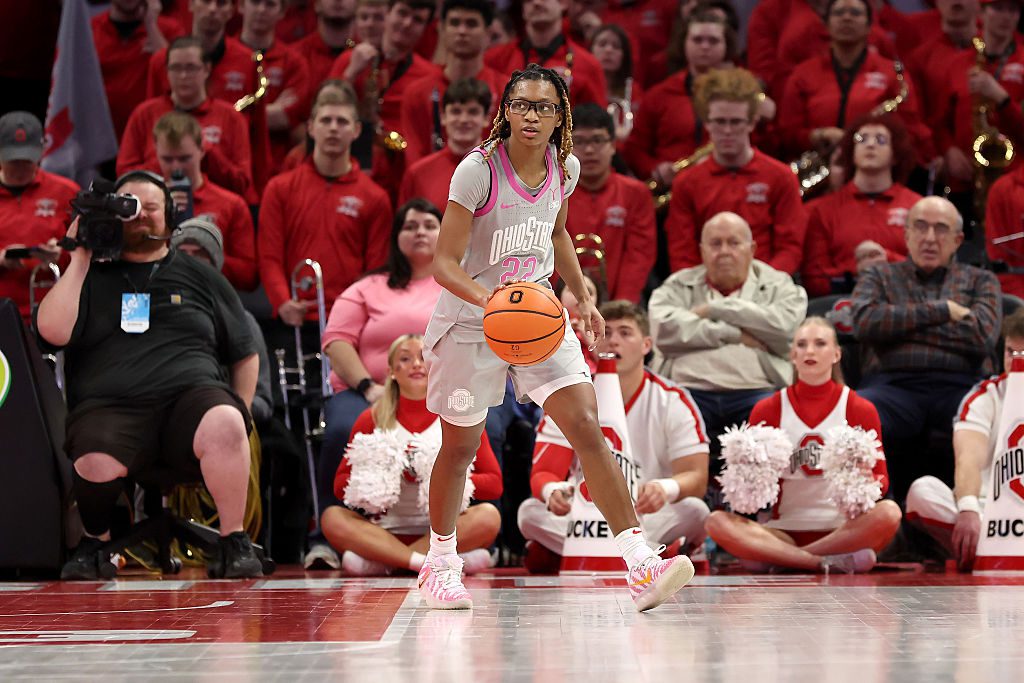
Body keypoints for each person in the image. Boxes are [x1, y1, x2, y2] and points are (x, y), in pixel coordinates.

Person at [421, 63, 695, 611]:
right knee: (460, 447)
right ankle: (439, 563)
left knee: (588, 428)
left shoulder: (563, 167)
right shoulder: (477, 171)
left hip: (539, 318)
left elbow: (557, 232)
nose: (531, 115)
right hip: (473, 320)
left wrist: (585, 296)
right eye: (521, 104)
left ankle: (639, 562)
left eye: (544, 106)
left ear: (559, 116)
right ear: (506, 110)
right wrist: (491, 301)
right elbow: (443, 263)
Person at [34, 171, 262, 580]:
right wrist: (79, 257)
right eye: (128, 209)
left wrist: (241, 412)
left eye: (150, 208)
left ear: (170, 218)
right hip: (110, 407)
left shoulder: (201, 276)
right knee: (95, 453)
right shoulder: (87, 278)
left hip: (191, 402)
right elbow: (50, 333)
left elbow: (244, 353)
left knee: (226, 421)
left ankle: (232, 541)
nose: (139, 217)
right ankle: (95, 544)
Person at [302, 198, 443, 568]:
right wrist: (369, 387)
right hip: (369, 391)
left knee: (488, 427)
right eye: (410, 226)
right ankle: (325, 540)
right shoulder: (367, 287)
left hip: (441, 394)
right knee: (341, 429)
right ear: (396, 236)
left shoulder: (458, 284)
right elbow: (336, 341)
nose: (420, 232)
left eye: (429, 225)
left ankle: (467, 539)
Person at [519, 300, 711, 572]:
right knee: (529, 512)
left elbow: (696, 476)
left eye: (625, 332)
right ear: (593, 342)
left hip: (649, 512)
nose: (613, 341)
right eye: (606, 332)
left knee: (696, 510)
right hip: (588, 517)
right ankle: (659, 552)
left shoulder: (673, 400)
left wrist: (665, 489)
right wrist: (554, 492)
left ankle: (570, 552)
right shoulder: (566, 397)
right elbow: (544, 473)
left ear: (646, 345)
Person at [704, 317, 902, 573]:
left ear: (836, 354)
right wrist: (746, 477)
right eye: (802, 344)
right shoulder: (768, 409)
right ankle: (821, 563)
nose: (810, 351)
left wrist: (866, 481)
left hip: (842, 530)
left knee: (889, 513)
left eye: (820, 344)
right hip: (783, 531)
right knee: (716, 521)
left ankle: (788, 560)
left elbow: (882, 481)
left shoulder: (858, 408)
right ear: (793, 355)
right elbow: (750, 500)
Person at [850, 196, 1003, 501]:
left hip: (961, 384)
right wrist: (943, 311)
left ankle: (974, 516)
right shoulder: (878, 276)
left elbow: (981, 336)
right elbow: (866, 323)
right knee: (856, 413)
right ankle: (879, 522)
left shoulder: (982, 280)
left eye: (941, 229)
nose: (930, 238)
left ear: (958, 240)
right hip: (892, 386)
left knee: (995, 417)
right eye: (920, 227)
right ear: (906, 234)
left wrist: (900, 331)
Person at [322, 334, 502, 575]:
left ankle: (392, 562)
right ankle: (426, 564)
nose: (416, 364)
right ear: (391, 372)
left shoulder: (461, 418)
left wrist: (439, 476)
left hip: (444, 529)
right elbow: (339, 485)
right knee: (332, 518)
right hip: (384, 532)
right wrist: (381, 474)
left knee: (489, 516)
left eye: (423, 358)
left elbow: (494, 484)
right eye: (405, 359)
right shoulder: (372, 418)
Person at [649, 211, 807, 468]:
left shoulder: (779, 285)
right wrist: (736, 334)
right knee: (667, 421)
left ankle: (754, 508)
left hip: (758, 392)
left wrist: (715, 309)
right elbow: (664, 331)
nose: (724, 251)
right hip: (688, 392)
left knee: (769, 432)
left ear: (752, 249)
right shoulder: (677, 285)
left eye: (733, 243)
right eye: (715, 243)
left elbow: (786, 330)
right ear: (701, 250)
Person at [258, 81, 392, 330]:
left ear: (356, 130)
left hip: (349, 321)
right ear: (310, 127)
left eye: (342, 122)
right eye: (325, 120)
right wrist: (283, 301)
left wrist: (356, 309)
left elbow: (375, 270)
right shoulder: (279, 188)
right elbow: (269, 256)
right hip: (292, 317)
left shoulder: (375, 197)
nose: (333, 128)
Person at [904, 309, 1024, 571]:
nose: (1014, 361)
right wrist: (968, 508)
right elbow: (968, 456)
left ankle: (984, 553)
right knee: (922, 491)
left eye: (1023, 354)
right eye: (1009, 352)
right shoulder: (984, 396)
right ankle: (983, 546)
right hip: (989, 516)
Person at [663, 67, 806, 275]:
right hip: (705, 291)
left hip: (767, 289)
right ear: (707, 123)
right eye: (720, 122)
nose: (728, 131)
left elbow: (790, 248)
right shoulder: (687, 182)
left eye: (736, 122)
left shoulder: (781, 177)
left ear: (752, 122)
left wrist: (761, 286)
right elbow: (682, 253)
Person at [776, 0, 933, 166]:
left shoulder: (892, 73)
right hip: (817, 168)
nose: (847, 18)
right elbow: (787, 132)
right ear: (825, 24)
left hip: (876, 167)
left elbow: (911, 130)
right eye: (838, 13)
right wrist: (817, 135)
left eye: (856, 13)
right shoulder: (803, 74)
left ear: (870, 25)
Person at [118, 36, 254, 201]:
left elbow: (242, 182)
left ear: (206, 69)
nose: (183, 75)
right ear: (166, 71)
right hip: (155, 208)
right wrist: (166, 158)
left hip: (216, 208)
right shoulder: (144, 114)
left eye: (191, 68)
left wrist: (205, 153)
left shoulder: (231, 117)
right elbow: (124, 178)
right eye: (175, 68)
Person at [801, 113, 922, 298]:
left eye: (881, 140)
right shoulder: (823, 210)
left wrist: (887, 261)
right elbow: (814, 278)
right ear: (851, 151)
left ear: (896, 154)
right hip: (841, 307)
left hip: (906, 302)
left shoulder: (917, 207)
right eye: (862, 139)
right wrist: (856, 271)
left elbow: (930, 268)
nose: (870, 144)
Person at [327, 0, 437, 198]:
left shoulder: (429, 76)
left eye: (417, 20)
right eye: (402, 13)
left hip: (397, 174)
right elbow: (324, 105)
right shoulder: (350, 59)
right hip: (347, 164)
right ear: (387, 14)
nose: (406, 23)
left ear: (424, 29)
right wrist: (351, 72)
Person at [170, 217, 274, 425]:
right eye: (182, 254)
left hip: (223, 420)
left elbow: (263, 401)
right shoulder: (156, 313)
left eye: (199, 254)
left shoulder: (242, 321)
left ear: (215, 263)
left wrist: (229, 409)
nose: (190, 262)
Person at [621, 10, 735, 185]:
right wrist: (655, 168)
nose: (705, 46)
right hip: (672, 188)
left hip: (728, 184)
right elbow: (635, 149)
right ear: (684, 43)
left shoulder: (742, 94)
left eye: (713, 40)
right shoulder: (659, 95)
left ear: (726, 45)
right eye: (697, 40)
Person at [932, 0, 1024, 209]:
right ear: (981, 13)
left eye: (1013, 10)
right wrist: (948, 151)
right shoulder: (958, 63)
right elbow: (939, 122)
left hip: (1013, 179)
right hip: (964, 181)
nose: (1006, 16)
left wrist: (1002, 99)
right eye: (998, 8)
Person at [153, 111, 258, 290]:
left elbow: (248, 276)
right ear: (156, 153)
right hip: (158, 298)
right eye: (168, 159)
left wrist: (207, 255)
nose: (176, 167)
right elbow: (133, 263)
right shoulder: (147, 206)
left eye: (185, 158)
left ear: (202, 150)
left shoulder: (231, 204)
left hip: (211, 300)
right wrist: (159, 218)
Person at [565, 103, 655, 303]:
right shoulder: (554, 191)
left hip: (619, 301)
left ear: (613, 145)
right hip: (560, 302)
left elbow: (639, 256)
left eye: (598, 140)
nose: (589, 150)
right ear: (566, 147)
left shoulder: (636, 193)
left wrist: (620, 307)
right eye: (579, 141)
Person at [398, 0, 505, 164]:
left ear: (488, 33)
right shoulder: (416, 93)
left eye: (471, 24)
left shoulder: (507, 91)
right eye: (455, 23)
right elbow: (416, 162)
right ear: (441, 29)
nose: (462, 31)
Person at [0, 112, 78, 322]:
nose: (21, 168)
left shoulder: (67, 192)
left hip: (51, 311)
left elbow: (89, 252)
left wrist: (61, 253)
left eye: (28, 160)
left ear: (43, 150)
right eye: (13, 160)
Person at [483, 0, 608, 107]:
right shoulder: (493, 59)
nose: (536, 3)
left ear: (563, 2)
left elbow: (597, 124)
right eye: (528, 0)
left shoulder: (588, 65)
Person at [398, 78, 492, 212]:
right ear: (443, 117)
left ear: (486, 118)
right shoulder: (417, 174)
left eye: (473, 112)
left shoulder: (505, 172)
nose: (463, 119)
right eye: (456, 111)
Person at [237, 0, 312, 170]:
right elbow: (219, 116)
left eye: (270, 4)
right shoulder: (226, 55)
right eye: (255, 3)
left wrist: (241, 111)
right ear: (241, 6)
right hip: (234, 160)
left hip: (278, 165)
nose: (262, 9)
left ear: (282, 12)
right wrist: (273, 108)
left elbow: (286, 118)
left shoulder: (294, 62)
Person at [92, 0, 182, 138]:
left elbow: (180, 79)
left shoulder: (169, 29)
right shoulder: (89, 30)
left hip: (152, 134)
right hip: (100, 138)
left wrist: (151, 26)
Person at [145, 0, 258, 103]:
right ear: (191, 4)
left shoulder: (248, 61)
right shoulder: (161, 61)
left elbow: (258, 123)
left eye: (221, 3)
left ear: (231, 11)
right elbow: (151, 116)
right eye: (206, 1)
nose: (212, 9)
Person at [589, 24, 643, 144]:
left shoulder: (634, 90)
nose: (608, 50)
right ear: (590, 51)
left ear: (624, 55)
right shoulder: (583, 86)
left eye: (616, 47)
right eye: (602, 44)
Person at [293, 0, 358, 90]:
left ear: (357, 4)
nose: (338, 1)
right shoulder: (294, 57)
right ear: (316, 4)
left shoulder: (369, 57)